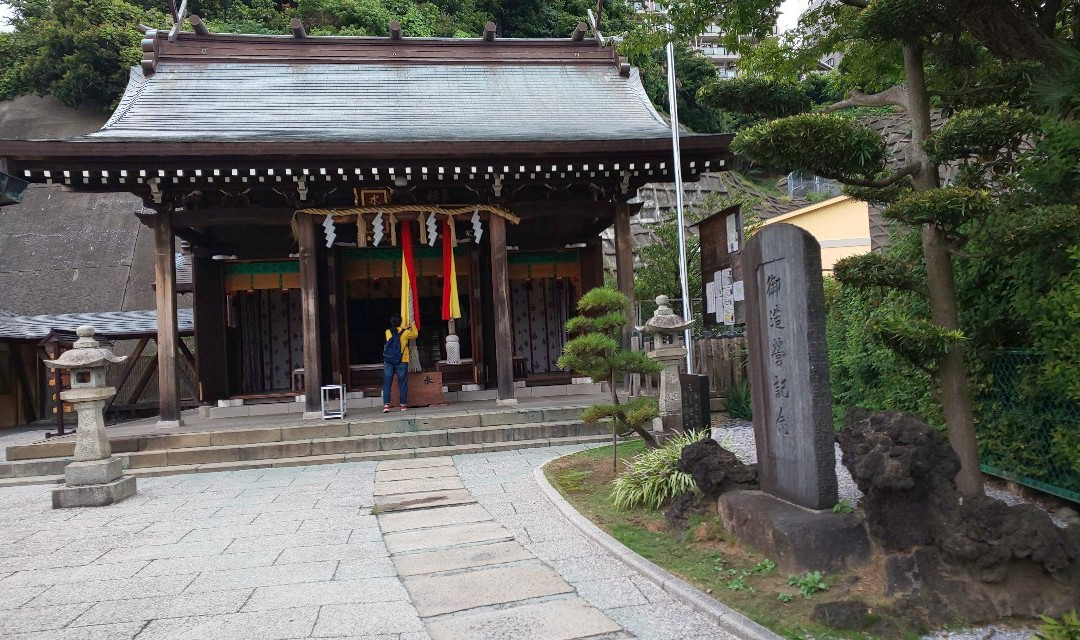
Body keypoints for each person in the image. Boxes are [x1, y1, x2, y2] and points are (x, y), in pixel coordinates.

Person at [382, 315, 418, 412]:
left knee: (387, 383)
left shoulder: (387, 332)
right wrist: (413, 325)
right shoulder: (406, 333)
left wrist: (402, 329)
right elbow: (415, 335)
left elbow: (395, 334)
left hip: (388, 360)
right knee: (402, 383)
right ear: (401, 322)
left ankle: (386, 406)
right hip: (402, 359)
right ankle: (403, 406)